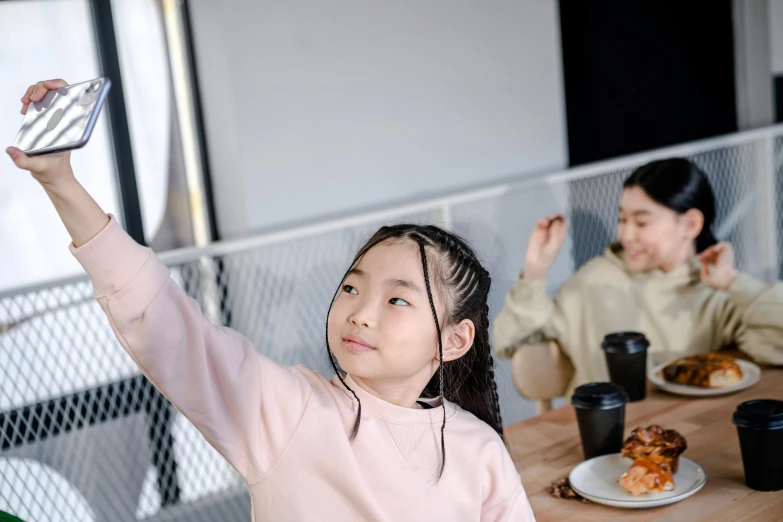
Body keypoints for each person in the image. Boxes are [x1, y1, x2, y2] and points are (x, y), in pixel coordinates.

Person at [7, 79, 534, 522]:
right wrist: (61, 183)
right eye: (351, 287)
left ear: (453, 339)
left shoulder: (479, 450)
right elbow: (163, 319)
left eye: (397, 301)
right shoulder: (287, 410)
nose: (359, 311)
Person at [494, 157, 783, 399]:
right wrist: (534, 270)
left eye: (642, 222)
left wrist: (734, 282)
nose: (626, 235)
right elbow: (508, 340)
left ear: (691, 224)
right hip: (597, 443)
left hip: (686, 436)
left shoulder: (718, 292)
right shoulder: (593, 281)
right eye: (622, 219)